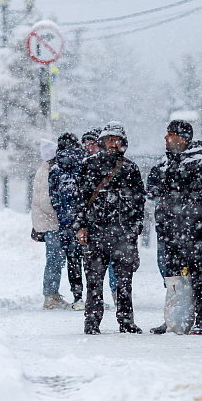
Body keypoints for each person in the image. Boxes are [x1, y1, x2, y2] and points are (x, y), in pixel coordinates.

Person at [73, 122, 145, 335]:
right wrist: (80, 227)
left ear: (124, 143)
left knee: (125, 281)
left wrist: (135, 228)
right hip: (96, 232)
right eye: (109, 140)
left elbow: (139, 201)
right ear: (102, 142)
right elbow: (79, 199)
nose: (113, 144)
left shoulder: (130, 168)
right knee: (94, 280)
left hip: (123, 234)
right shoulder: (89, 165)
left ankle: (126, 321)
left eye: (117, 140)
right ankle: (92, 321)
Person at [149, 120, 202, 335]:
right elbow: (157, 193)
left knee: (197, 275)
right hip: (171, 231)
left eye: (170, 134)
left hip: (193, 233)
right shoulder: (167, 163)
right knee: (173, 277)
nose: (165, 138)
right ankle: (175, 318)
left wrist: (187, 222)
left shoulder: (197, 164)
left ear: (182, 138)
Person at [31, 138, 70, 310]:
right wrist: (61, 213)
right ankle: (50, 296)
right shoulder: (47, 171)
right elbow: (46, 201)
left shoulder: (45, 169)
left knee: (55, 259)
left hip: (49, 223)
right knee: (54, 259)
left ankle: (52, 294)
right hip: (51, 223)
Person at [49, 132, 86, 309]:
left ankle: (78, 296)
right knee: (93, 260)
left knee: (73, 260)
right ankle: (96, 295)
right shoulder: (85, 164)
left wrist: (63, 213)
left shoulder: (56, 169)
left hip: (66, 223)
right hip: (86, 221)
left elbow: (53, 198)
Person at [81, 126, 117, 305]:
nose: (89, 147)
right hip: (94, 225)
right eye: (86, 144)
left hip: (111, 225)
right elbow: (79, 198)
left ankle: (115, 293)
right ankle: (94, 305)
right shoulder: (85, 165)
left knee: (112, 263)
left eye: (92, 143)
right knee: (95, 267)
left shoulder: (113, 165)